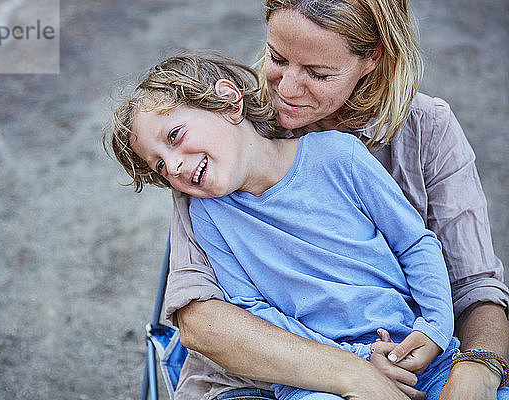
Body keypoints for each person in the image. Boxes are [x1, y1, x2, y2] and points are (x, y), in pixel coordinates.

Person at [154, 1, 509, 400]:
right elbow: (203, 320)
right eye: (277, 58)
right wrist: (354, 370)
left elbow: (476, 287)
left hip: (411, 355)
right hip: (255, 380)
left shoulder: (426, 129)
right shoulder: (216, 140)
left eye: (318, 73)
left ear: (372, 57)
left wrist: (478, 367)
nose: (285, 90)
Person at [107, 50, 467, 399]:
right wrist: (353, 363)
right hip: (309, 380)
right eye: (158, 166)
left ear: (230, 102)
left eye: (174, 137)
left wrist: (434, 327)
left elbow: (415, 244)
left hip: (414, 351)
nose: (171, 167)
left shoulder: (339, 156)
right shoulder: (207, 215)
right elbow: (252, 310)